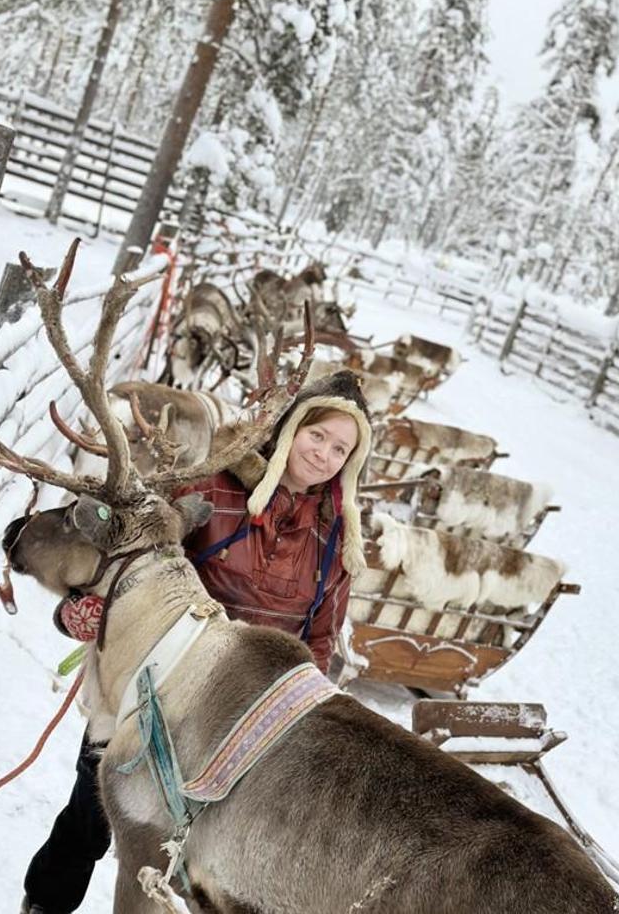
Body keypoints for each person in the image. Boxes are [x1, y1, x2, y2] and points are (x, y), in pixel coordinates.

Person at [20, 371, 372, 914]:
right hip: (152, 691)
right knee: (93, 815)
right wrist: (79, 612)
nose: (324, 454)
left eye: (340, 448)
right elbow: (122, 560)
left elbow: (319, 637)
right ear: (291, 428)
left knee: (207, 859)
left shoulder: (334, 537)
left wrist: (300, 720)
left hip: (240, 724)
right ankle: (45, 903)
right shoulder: (213, 488)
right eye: (316, 435)